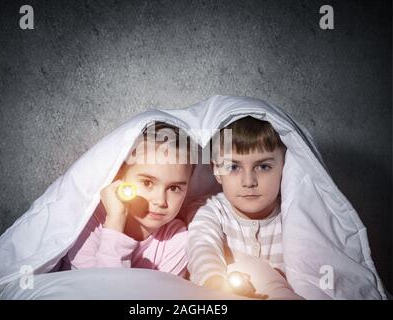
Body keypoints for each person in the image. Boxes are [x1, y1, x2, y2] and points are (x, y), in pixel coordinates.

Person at [187, 116, 301, 299]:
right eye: (233, 167)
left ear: (285, 167)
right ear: (217, 170)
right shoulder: (212, 210)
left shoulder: (295, 214)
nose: (248, 182)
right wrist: (215, 283)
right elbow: (202, 247)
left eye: (263, 167)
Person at [62, 122, 195, 277]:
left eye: (174, 188)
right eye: (147, 183)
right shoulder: (88, 219)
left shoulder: (178, 239)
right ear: (120, 175)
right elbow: (99, 291)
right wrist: (115, 221)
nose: (160, 201)